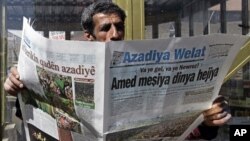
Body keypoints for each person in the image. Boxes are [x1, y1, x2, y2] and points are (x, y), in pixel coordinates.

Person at [4, 2, 231, 140]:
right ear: (89, 35)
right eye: (105, 28)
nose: (115, 34)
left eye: (119, 27)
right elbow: (29, 115)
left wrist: (207, 121)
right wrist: (19, 87)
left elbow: (177, 124)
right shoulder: (71, 68)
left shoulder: (145, 70)